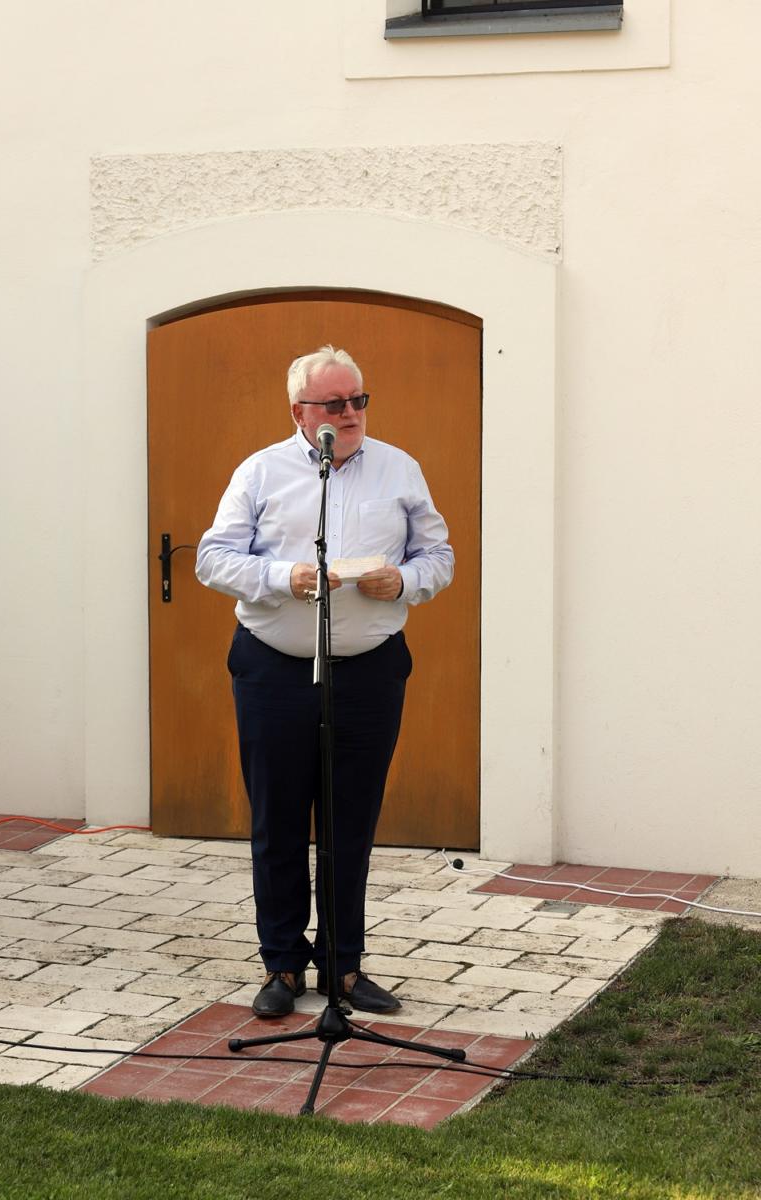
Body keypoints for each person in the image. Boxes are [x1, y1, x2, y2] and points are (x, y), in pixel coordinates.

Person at [195, 346, 454, 1018]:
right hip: (274, 669)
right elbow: (212, 558)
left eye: (359, 400)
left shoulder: (399, 468)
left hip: (367, 672)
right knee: (278, 822)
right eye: (335, 404)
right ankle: (282, 965)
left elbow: (438, 554)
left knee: (350, 825)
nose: (351, 413)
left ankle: (343, 967)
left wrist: (406, 580)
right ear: (299, 412)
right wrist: (284, 576)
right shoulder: (261, 471)